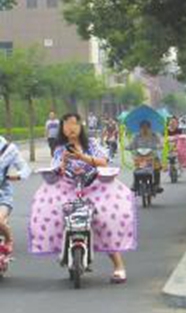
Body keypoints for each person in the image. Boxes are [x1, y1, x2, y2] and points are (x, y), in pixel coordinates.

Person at [29, 113, 136, 284]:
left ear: (81, 127)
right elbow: (55, 171)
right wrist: (64, 162)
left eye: (74, 124)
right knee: (51, 213)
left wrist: (82, 157)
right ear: (62, 128)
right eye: (66, 124)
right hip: (67, 188)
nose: (71, 127)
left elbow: (104, 162)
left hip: (94, 186)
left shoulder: (91, 144)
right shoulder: (59, 149)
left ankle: (118, 266)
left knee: (104, 220)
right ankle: (66, 251)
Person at [0, 136, 31, 254]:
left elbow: (25, 169)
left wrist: (17, 176)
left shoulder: (9, 149)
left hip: (3, 195)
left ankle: (9, 240)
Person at [126, 120, 164, 193]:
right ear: (140, 128)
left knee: (156, 168)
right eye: (143, 127)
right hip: (140, 157)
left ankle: (157, 184)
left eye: (146, 127)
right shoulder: (137, 136)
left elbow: (160, 143)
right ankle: (135, 183)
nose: (145, 129)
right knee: (137, 169)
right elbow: (132, 144)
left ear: (150, 128)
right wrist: (127, 147)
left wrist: (160, 146)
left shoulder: (154, 136)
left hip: (152, 156)